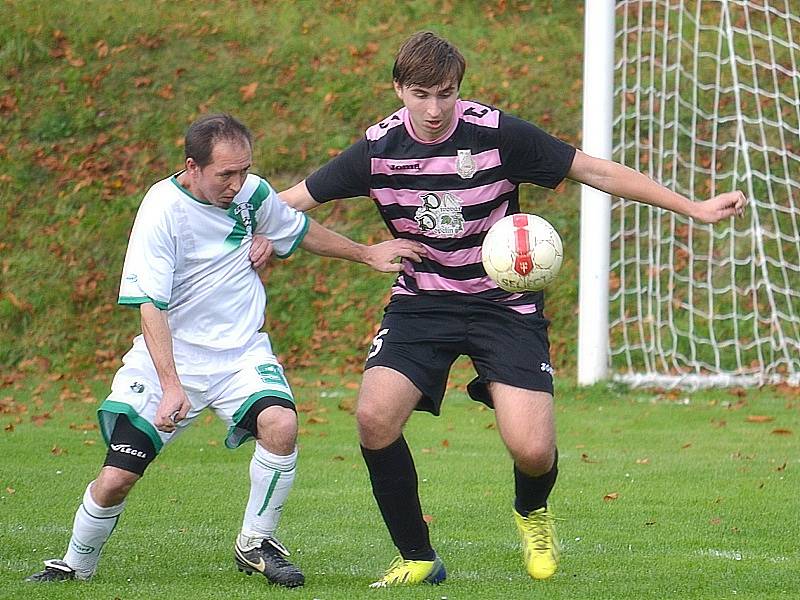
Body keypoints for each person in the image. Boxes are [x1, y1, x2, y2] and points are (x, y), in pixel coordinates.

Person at [279, 31, 747, 587]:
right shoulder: (378, 149)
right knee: (374, 418)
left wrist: (692, 207)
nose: (434, 110)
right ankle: (418, 557)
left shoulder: (496, 135)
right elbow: (289, 203)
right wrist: (252, 229)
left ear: (459, 89)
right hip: (423, 301)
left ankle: (532, 512)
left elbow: (592, 170)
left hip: (505, 304)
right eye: (421, 94)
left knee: (532, 449)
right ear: (399, 89)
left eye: (445, 94)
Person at [25, 113, 425, 588]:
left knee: (281, 424)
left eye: (244, 171)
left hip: (240, 355)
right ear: (192, 167)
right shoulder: (161, 209)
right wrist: (172, 386)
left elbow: (297, 229)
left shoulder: (252, 194)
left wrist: (365, 252)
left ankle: (255, 543)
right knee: (116, 479)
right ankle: (75, 564)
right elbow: (149, 304)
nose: (239, 184)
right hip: (170, 362)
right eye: (225, 175)